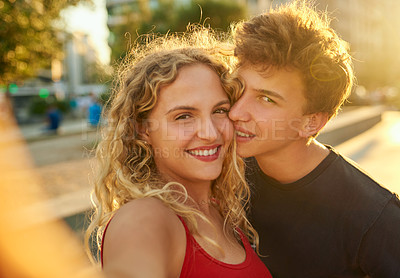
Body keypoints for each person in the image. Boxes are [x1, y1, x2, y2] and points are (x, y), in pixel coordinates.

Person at [229, 1, 400, 277]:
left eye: (266, 99)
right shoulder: (222, 172)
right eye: (238, 88)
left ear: (311, 122)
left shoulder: (375, 217)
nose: (235, 112)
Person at [86, 31, 272, 278]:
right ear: (142, 130)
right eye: (184, 116)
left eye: (220, 110)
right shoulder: (143, 220)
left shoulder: (225, 213)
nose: (210, 133)